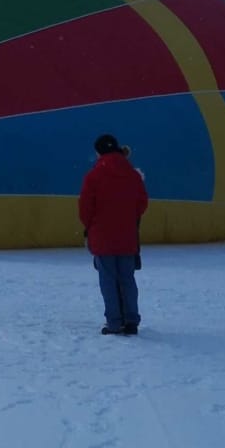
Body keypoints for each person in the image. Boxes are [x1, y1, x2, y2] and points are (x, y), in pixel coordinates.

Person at [78, 133, 149, 335]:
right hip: (127, 235)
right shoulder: (133, 175)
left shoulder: (94, 176)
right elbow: (142, 203)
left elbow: (85, 208)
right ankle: (132, 320)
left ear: (99, 152)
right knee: (127, 278)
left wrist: (91, 226)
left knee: (108, 280)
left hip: (102, 236)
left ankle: (115, 322)